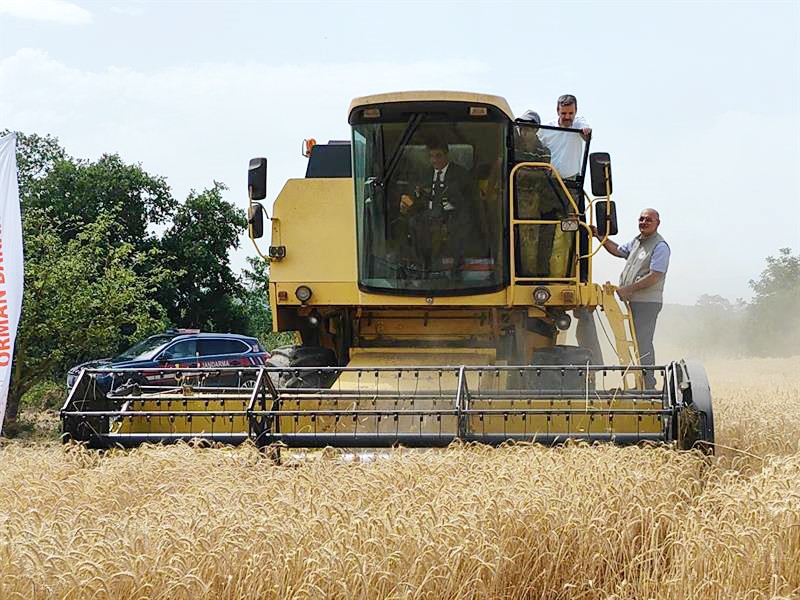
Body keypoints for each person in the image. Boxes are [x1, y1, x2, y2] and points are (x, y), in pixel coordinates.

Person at [594, 208, 670, 387]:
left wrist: (628, 289)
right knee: (637, 342)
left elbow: (655, 276)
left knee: (643, 342)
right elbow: (617, 250)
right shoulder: (637, 242)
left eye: (649, 220)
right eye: (641, 219)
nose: (644, 222)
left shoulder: (660, 246)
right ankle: (641, 382)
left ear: (658, 223)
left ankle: (648, 384)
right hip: (634, 301)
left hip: (647, 303)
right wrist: (599, 236)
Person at [399, 140, 482, 272]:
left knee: (458, 227)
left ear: (446, 155)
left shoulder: (461, 174)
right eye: (431, 156)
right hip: (428, 214)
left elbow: (469, 199)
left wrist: (453, 203)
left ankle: (455, 268)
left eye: (438, 156)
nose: (434, 160)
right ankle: (422, 265)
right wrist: (412, 198)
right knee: (413, 223)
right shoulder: (425, 173)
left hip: (452, 215)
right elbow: (416, 194)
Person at [538, 94, 591, 179]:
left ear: (576, 112)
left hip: (571, 181)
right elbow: (536, 149)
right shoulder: (545, 128)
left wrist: (585, 131)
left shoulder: (579, 124)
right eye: (563, 113)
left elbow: (587, 136)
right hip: (549, 180)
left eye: (571, 113)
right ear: (557, 111)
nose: (567, 117)